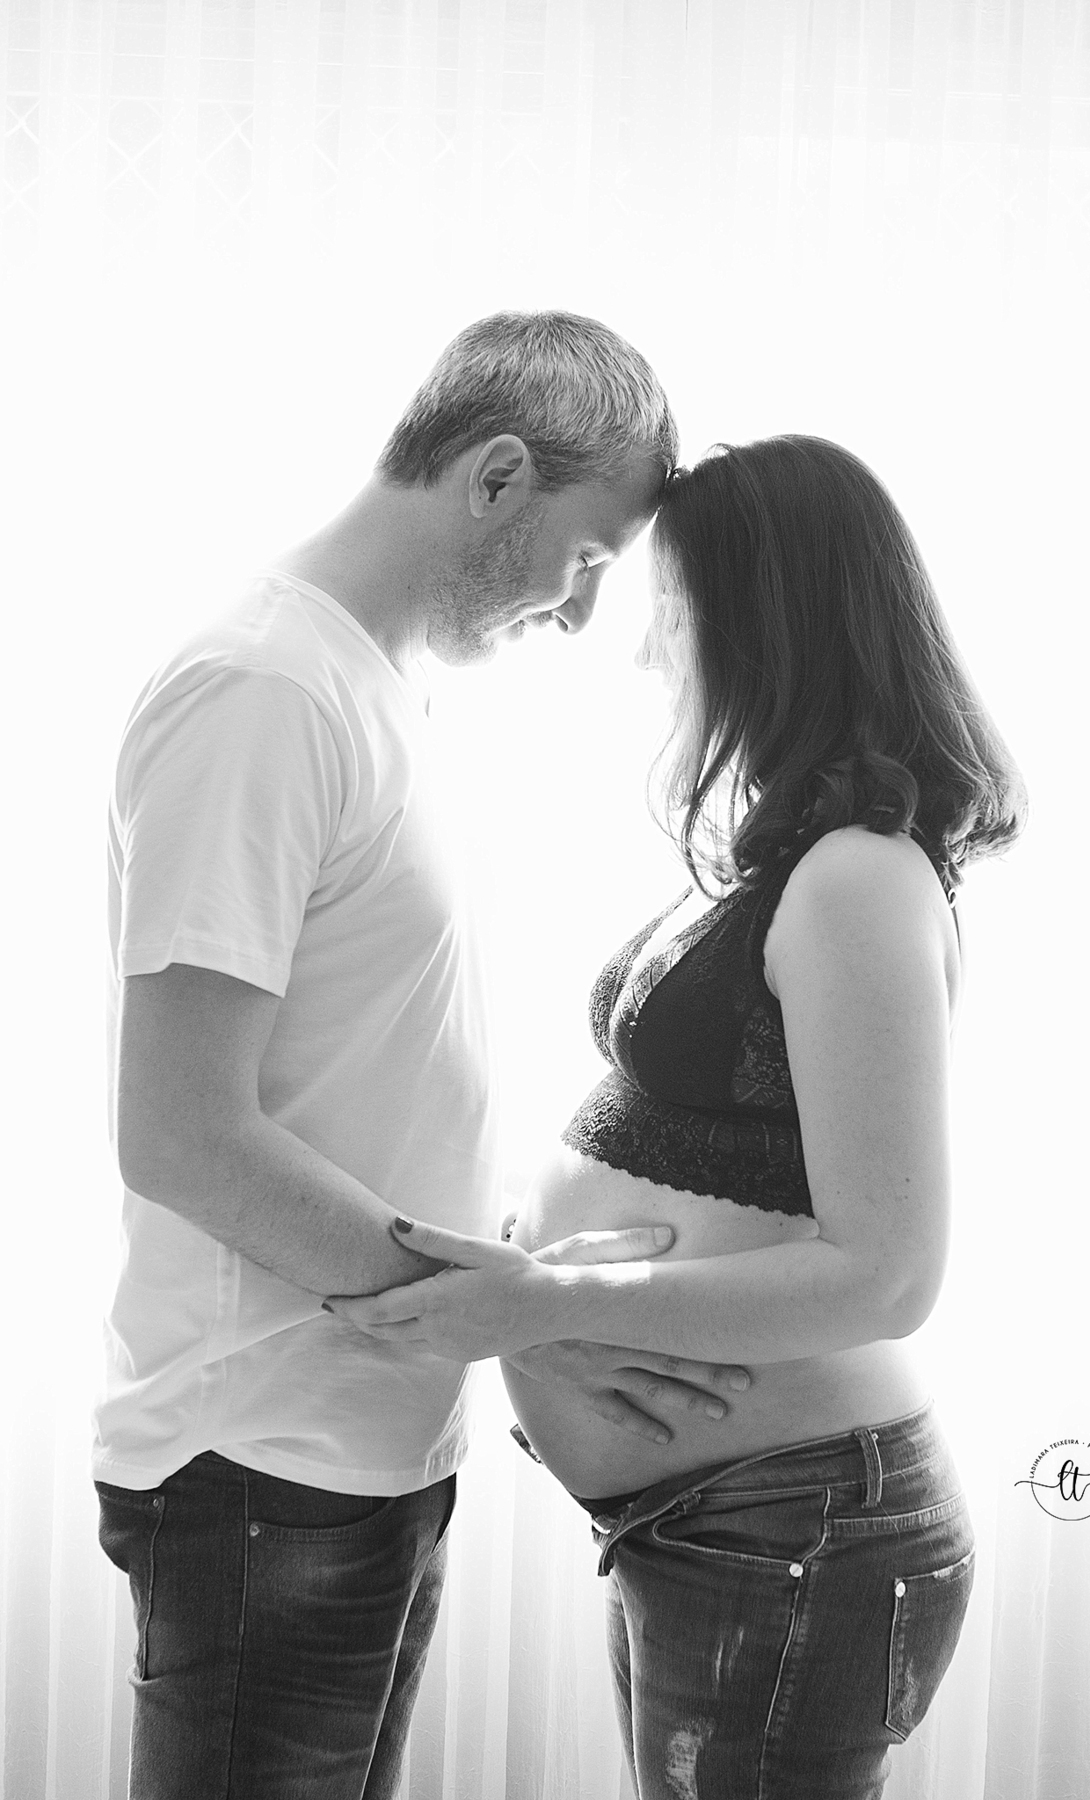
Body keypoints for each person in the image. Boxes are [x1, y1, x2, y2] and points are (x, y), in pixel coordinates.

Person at [96, 311, 755, 1800]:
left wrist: (535, 1269)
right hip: (266, 1453)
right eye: (586, 560)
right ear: (496, 475)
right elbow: (183, 1133)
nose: (580, 617)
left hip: (360, 1443)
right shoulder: (266, 691)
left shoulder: (378, 692)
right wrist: (527, 1321)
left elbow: (368, 1075)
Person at [328, 435, 1028, 1799]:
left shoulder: (860, 878)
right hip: (737, 1520)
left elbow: (887, 1275)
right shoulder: (798, 856)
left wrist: (542, 1304)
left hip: (796, 1523)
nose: (650, 654)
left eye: (670, 611)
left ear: (766, 623)